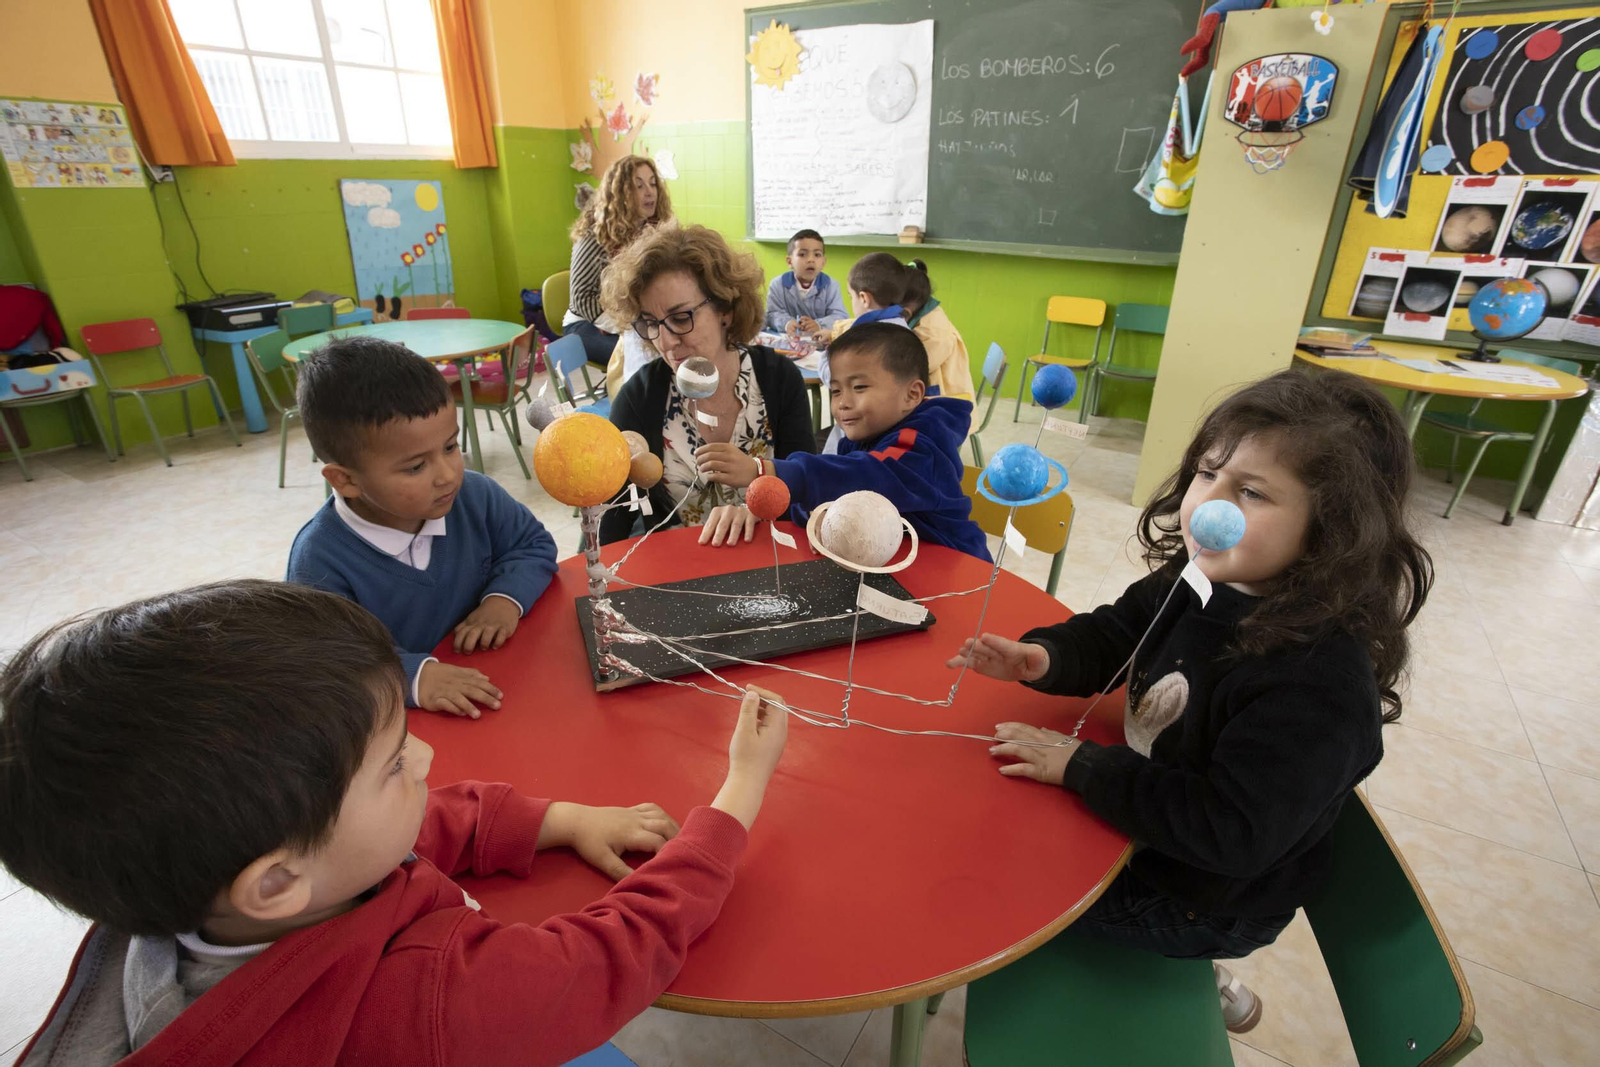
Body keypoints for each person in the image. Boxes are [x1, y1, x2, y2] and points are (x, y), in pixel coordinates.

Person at [0, 580, 789, 1066]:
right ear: (274, 881)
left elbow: (397, 833)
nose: (425, 755)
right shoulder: (424, 1005)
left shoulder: (191, 892)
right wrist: (739, 793)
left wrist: (557, 818)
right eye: (390, 764)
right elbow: (612, 954)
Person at [946, 369, 1433, 1033]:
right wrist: (1046, 657)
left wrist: (1084, 766)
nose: (1209, 505)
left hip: (1202, 896)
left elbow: (1230, 832)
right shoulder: (1205, 577)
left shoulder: (1317, 685)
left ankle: (1191, 963)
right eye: (1208, 474)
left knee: (986, 871)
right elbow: (1120, 629)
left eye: (1252, 492)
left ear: (1331, 531)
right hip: (1162, 831)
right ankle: (1198, 972)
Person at [287, 335, 557, 719]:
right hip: (404, 728)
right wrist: (412, 677)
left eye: (450, 446)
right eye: (416, 467)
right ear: (345, 480)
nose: (448, 475)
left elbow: (532, 544)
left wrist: (504, 599)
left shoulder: (474, 495)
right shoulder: (317, 562)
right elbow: (326, 667)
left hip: (501, 692)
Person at [598, 223, 816, 545]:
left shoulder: (778, 378)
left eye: (681, 317)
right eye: (651, 323)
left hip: (768, 558)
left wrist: (758, 503)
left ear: (724, 309)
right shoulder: (639, 398)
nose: (666, 341)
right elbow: (615, 520)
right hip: (679, 570)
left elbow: (805, 486)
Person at [698, 322, 988, 560]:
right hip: (899, 564)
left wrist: (769, 472)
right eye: (835, 391)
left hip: (955, 569)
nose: (843, 403)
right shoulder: (866, 437)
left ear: (911, 395)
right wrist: (819, 513)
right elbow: (832, 494)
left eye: (859, 387)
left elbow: (865, 475)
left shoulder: (920, 445)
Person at [567, 155, 674, 366]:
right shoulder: (595, 234)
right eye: (639, 185)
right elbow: (581, 298)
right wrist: (632, 329)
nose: (650, 191)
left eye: (653, 183)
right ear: (621, 193)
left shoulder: (654, 229)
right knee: (648, 360)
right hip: (587, 323)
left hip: (635, 320)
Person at [835, 254, 975, 402]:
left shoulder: (934, 332)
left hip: (944, 412)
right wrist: (835, 332)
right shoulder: (915, 312)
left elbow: (902, 370)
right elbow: (873, 322)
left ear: (905, 309)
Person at [763, 229, 848, 342]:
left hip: (819, 344)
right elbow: (772, 314)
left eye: (817, 255)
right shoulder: (778, 284)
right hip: (788, 343)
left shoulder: (831, 285)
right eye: (802, 254)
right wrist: (787, 323)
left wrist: (819, 325)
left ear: (823, 262)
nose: (810, 260)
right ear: (789, 261)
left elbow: (840, 317)